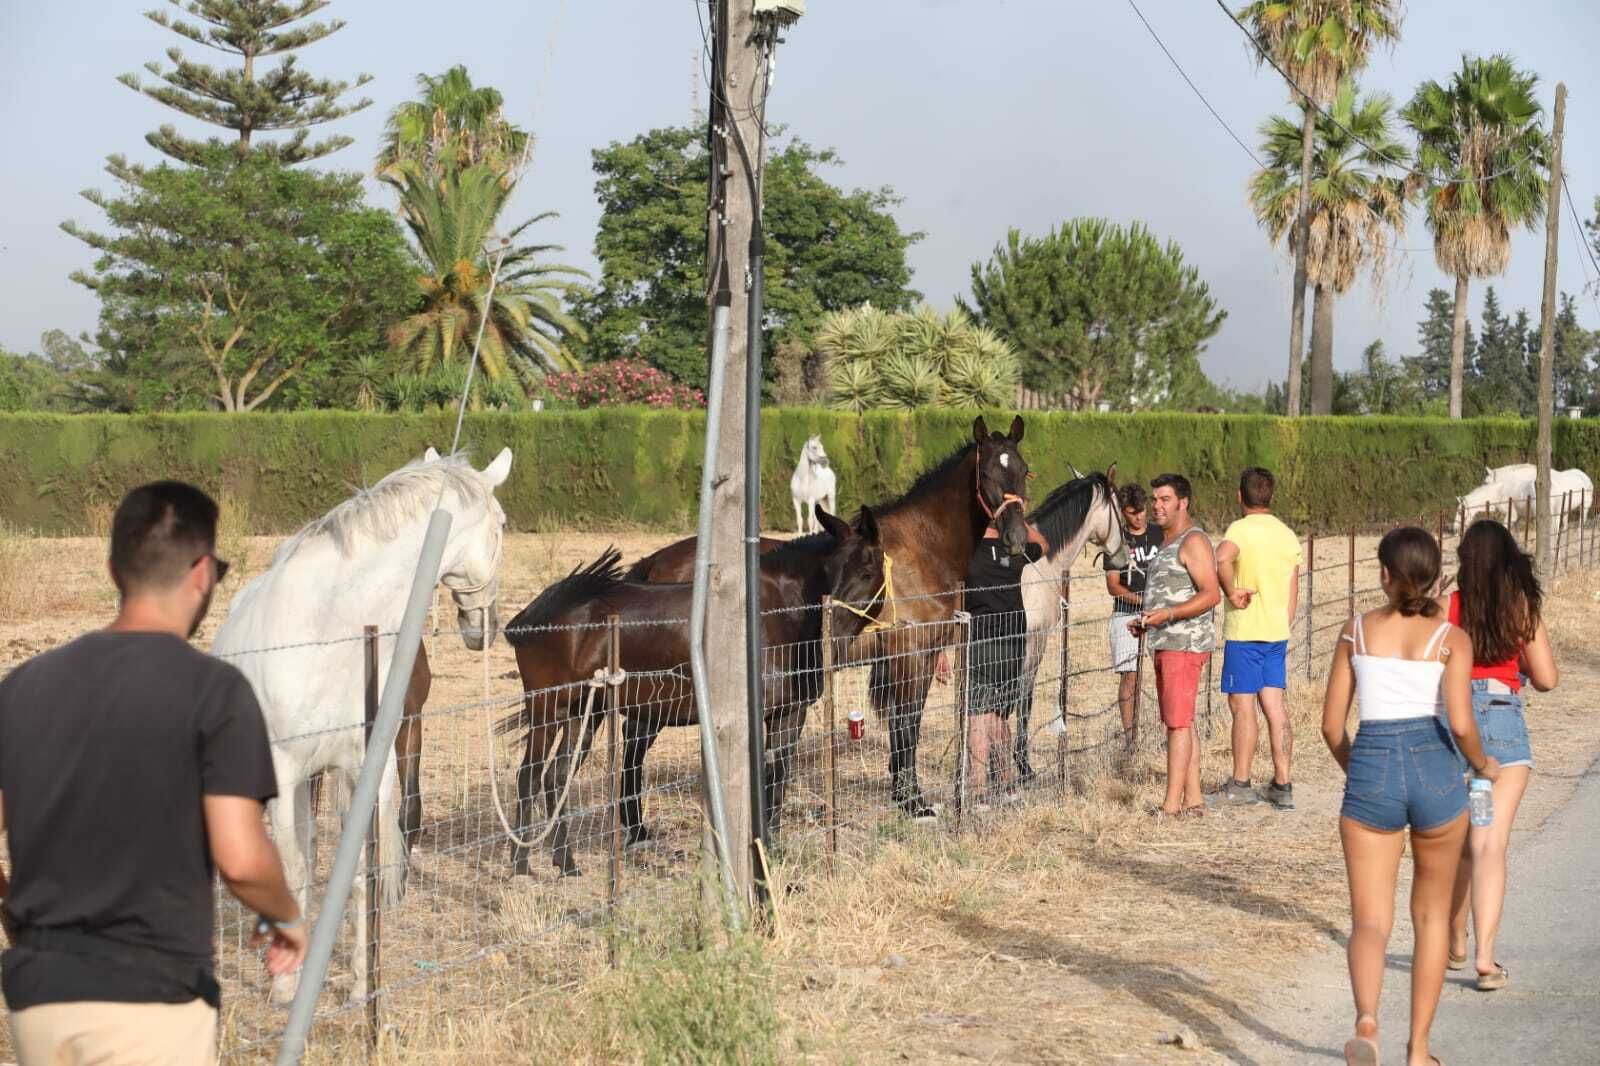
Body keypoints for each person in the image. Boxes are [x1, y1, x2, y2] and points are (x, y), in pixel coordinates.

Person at [0, 481, 306, 1065]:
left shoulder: (22, 687)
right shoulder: (214, 693)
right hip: (151, 998)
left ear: (114, 571)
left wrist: (19, 916)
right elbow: (241, 859)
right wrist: (284, 914)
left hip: (40, 998)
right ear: (202, 574)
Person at [1321, 527, 1498, 1066]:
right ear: (1436, 575)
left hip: (1372, 763)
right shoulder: (1450, 638)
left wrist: (1361, 771)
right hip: (1434, 768)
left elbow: (1331, 727)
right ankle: (1418, 1050)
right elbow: (1461, 724)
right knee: (1431, 918)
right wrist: (1482, 764)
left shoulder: (1355, 631)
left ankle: (1367, 1022)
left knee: (1370, 921)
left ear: (1383, 574)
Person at [1441, 519, 1558, 993]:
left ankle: (1456, 938)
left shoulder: (1449, 606)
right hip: (1503, 722)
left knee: (1463, 839)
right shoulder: (1519, 606)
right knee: (1490, 843)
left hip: (1456, 723)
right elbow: (1547, 677)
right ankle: (1485, 959)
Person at [1213, 467, 1303, 810]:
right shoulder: (1287, 535)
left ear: (1240, 495)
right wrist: (1284, 621)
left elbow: (1221, 557)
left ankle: (1240, 783)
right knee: (1275, 708)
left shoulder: (1240, 529)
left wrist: (1230, 590)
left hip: (1246, 633)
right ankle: (1283, 783)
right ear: (1271, 496)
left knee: (1242, 707)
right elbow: (1294, 585)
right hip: (1276, 633)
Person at [1132, 473, 1219, 817]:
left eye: (1165, 499)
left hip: (1184, 645)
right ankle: (1193, 800)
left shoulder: (1193, 541)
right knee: (1183, 721)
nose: (1157, 506)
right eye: (1154, 499)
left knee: (1177, 724)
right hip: (1167, 642)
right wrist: (1148, 621)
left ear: (1183, 502)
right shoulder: (1169, 542)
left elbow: (1211, 594)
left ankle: (1170, 807)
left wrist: (1168, 614)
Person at [961, 521, 1047, 807]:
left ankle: (978, 792)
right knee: (999, 716)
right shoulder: (1015, 550)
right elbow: (1044, 544)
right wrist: (1018, 518)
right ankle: (1008, 785)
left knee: (978, 717)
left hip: (980, 642)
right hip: (1013, 644)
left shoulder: (967, 551)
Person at [1103, 483, 1163, 751]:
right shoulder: (1116, 541)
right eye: (1132, 512)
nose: (1139, 516)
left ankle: (1169, 730)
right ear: (1123, 512)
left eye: (1142, 510)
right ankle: (1130, 739)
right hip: (1125, 614)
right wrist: (1141, 601)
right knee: (1130, 675)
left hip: (1160, 613)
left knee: (1166, 671)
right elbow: (1113, 585)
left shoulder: (1160, 533)